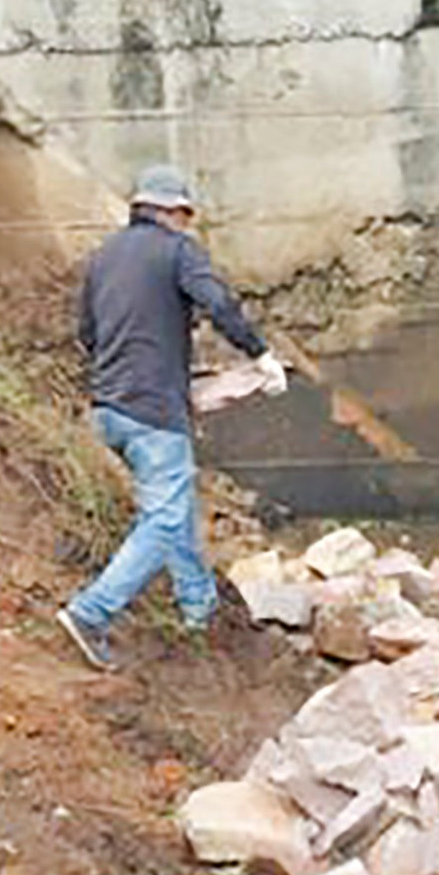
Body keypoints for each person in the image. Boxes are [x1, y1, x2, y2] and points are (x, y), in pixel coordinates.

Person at [55, 164, 283, 669]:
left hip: (109, 409)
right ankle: (90, 613)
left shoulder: (103, 257)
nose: (186, 225)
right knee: (162, 517)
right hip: (154, 412)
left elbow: (89, 335)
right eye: (185, 216)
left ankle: (200, 610)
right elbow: (218, 302)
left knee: (175, 508)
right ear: (174, 212)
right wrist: (259, 355)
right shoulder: (177, 250)